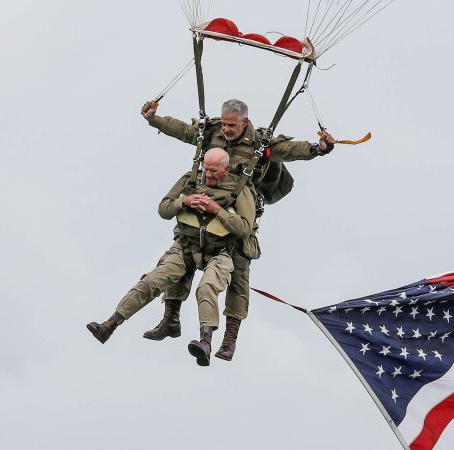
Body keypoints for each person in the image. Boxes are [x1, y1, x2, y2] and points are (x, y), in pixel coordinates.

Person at [139, 98, 334, 361]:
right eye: (225, 124)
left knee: (239, 278)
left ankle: (229, 339)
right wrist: (154, 119)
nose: (227, 129)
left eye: (232, 125)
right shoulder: (213, 131)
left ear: (244, 122)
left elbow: (289, 150)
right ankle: (170, 319)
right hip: (203, 213)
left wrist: (317, 148)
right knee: (181, 257)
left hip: (239, 218)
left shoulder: (260, 143)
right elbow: (186, 131)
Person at [87, 148, 255, 367]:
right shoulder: (191, 179)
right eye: (206, 169)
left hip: (220, 252)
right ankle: (110, 325)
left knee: (206, 288)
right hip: (186, 246)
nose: (208, 175)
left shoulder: (240, 188)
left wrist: (217, 210)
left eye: (214, 171)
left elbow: (244, 228)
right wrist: (183, 202)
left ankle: (206, 341)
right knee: (151, 281)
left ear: (227, 169)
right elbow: (164, 209)